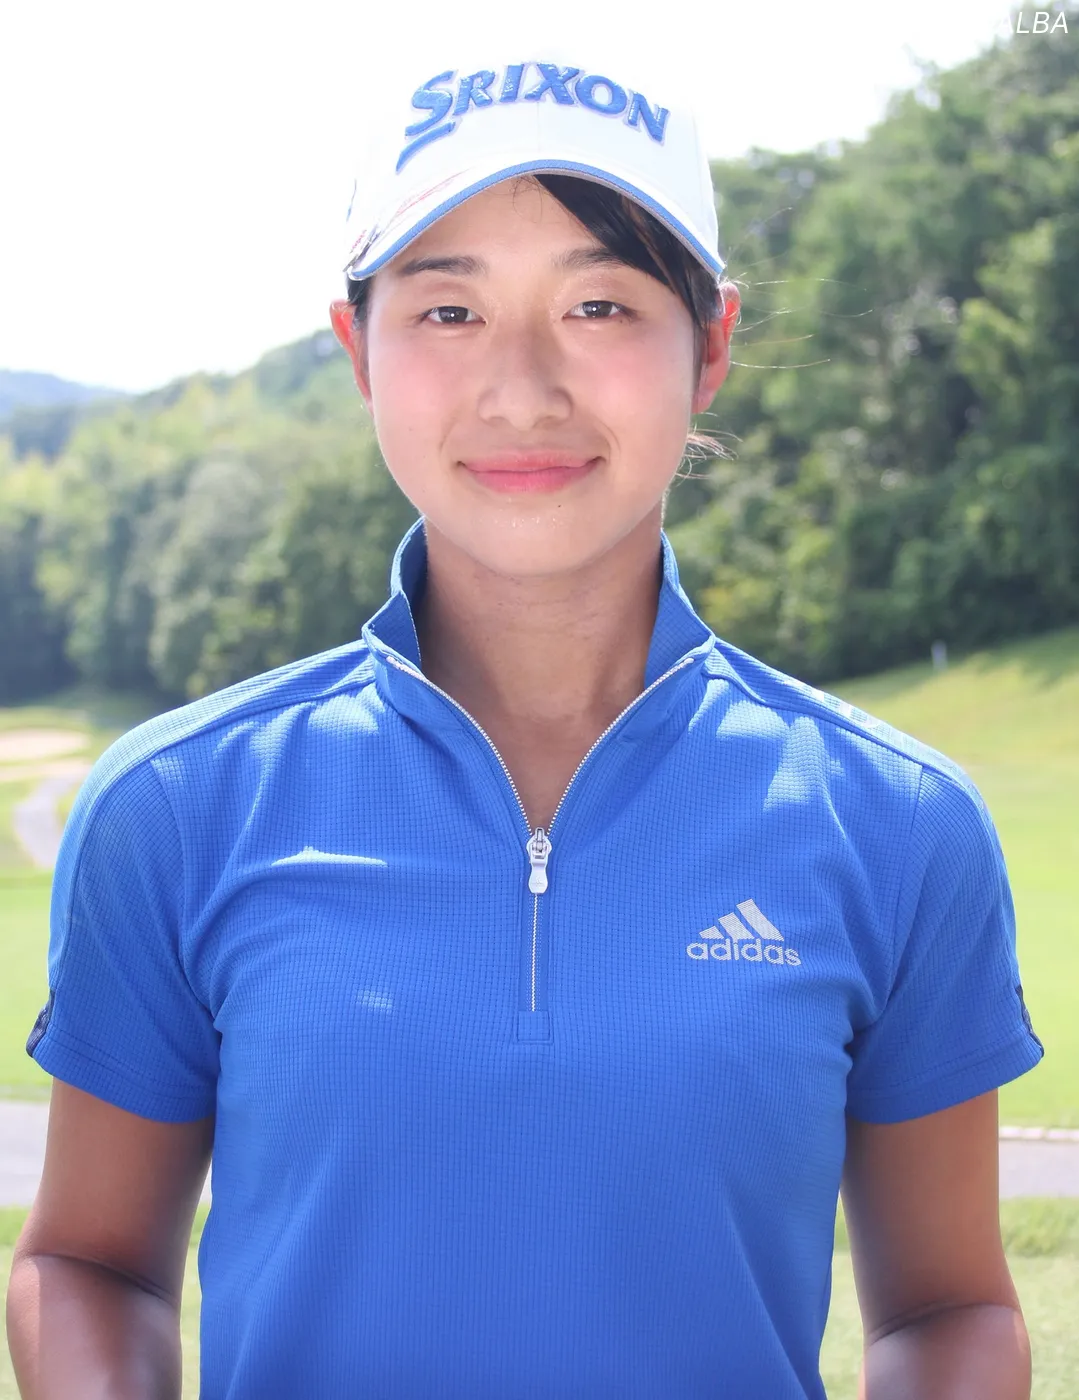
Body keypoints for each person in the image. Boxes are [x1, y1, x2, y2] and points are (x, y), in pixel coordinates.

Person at [7, 53, 1044, 1400]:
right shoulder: (176, 806)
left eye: (599, 303)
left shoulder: (897, 824)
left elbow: (947, 1309)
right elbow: (90, 1262)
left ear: (711, 344)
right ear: (356, 351)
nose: (521, 388)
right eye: (448, 311)